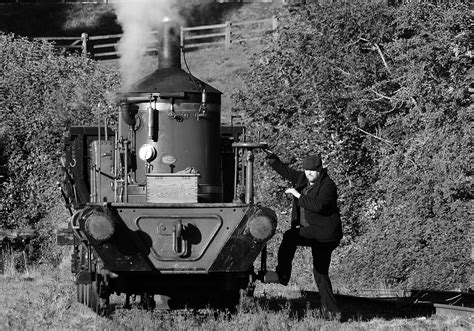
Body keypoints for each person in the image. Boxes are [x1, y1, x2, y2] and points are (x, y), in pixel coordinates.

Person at [263, 150, 343, 319]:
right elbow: (286, 171)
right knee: (292, 240)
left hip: (324, 235)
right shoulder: (303, 179)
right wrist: (272, 158)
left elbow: (319, 206)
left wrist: (297, 194)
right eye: (307, 170)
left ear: (320, 169)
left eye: (312, 171)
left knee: (317, 270)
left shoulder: (328, 185)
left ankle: (331, 313)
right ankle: (283, 275)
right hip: (310, 231)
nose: (309, 174)